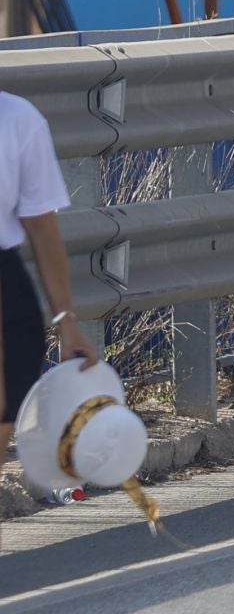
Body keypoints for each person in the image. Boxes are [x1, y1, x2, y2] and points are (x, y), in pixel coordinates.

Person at [2, 90, 101, 471]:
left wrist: (66, 322)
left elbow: (43, 228)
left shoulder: (18, 118)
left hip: (7, 284)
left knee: (7, 412)